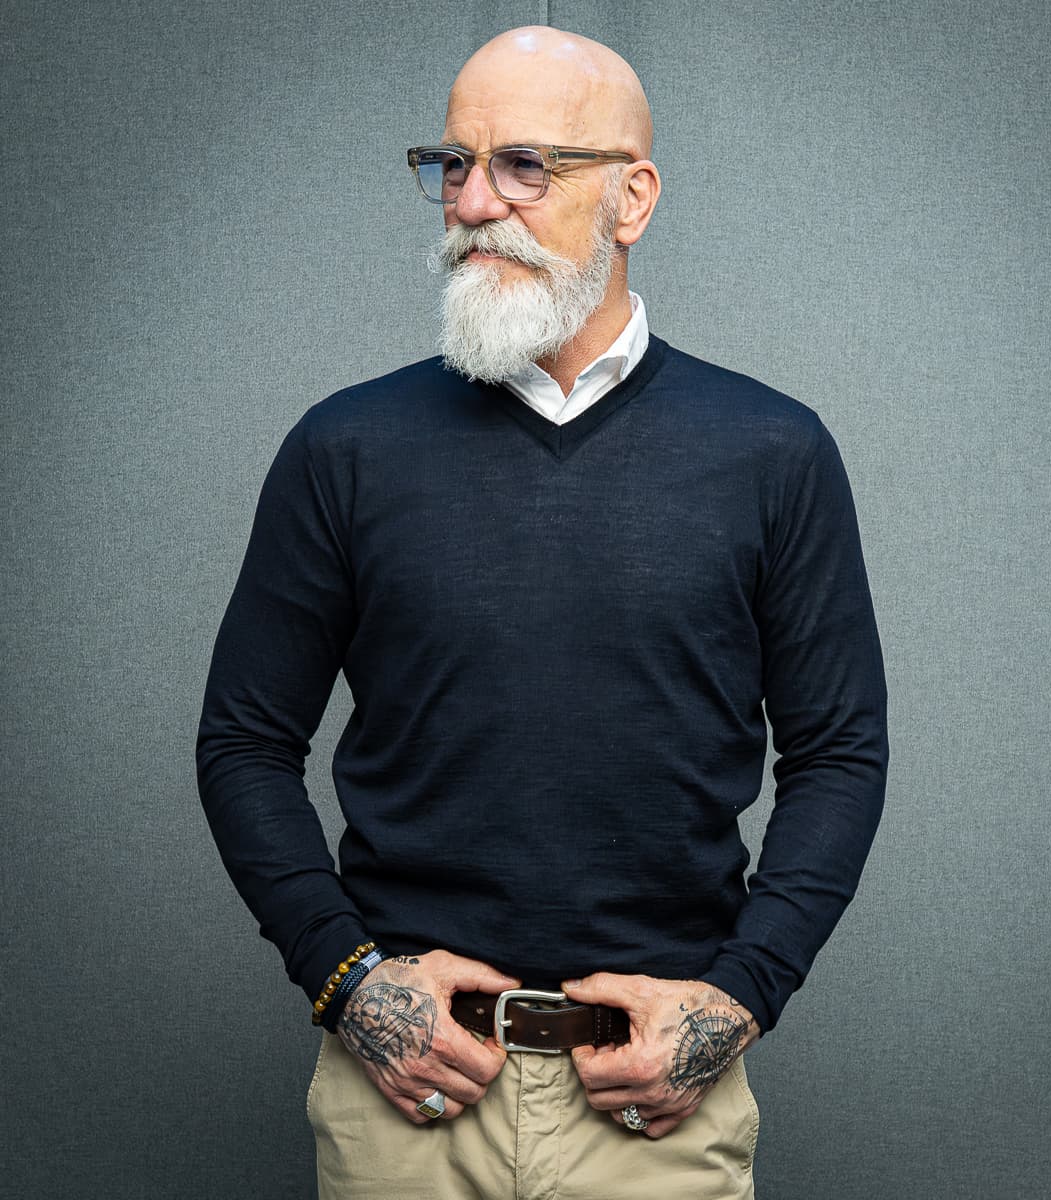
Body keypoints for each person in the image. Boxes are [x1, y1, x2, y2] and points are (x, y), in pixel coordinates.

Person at [196, 24, 887, 1200]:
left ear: (632, 198)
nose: (474, 204)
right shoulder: (343, 447)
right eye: (452, 165)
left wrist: (740, 999)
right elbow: (244, 742)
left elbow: (840, 753)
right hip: (406, 1102)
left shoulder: (774, 451)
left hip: (659, 1110)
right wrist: (347, 984)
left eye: (524, 165)